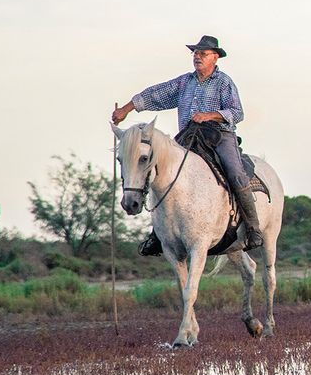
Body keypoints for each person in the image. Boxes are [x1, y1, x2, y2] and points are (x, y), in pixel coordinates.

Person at [112, 34, 263, 251]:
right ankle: (158, 234)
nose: (197, 57)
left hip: (219, 136)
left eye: (203, 53)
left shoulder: (224, 82)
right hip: (188, 137)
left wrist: (210, 115)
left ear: (215, 58)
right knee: (160, 173)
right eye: (195, 53)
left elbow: (237, 113)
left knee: (236, 173)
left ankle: (252, 227)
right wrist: (126, 109)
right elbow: (156, 94)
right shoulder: (185, 82)